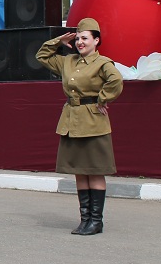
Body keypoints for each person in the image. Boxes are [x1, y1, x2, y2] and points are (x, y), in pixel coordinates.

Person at [36, 18, 123, 236]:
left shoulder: (103, 63)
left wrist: (102, 99)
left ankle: (96, 221)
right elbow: (42, 56)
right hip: (71, 121)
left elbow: (116, 82)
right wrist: (58, 41)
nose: (80, 43)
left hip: (93, 122)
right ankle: (85, 219)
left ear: (96, 40)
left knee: (94, 171)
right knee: (79, 172)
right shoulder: (68, 62)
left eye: (85, 38)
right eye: (77, 39)